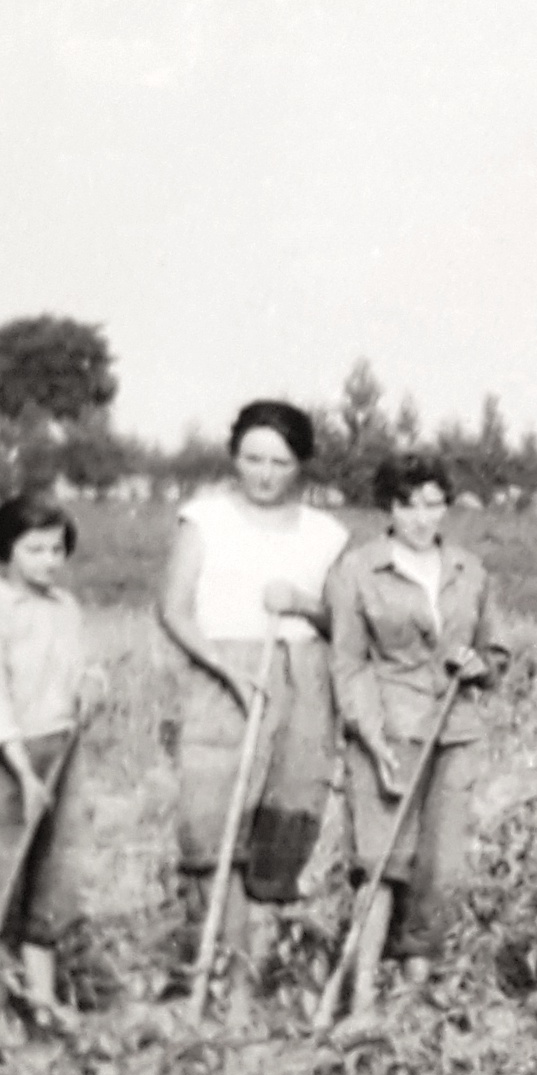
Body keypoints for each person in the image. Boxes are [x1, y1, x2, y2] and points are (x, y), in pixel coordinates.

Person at [158, 400, 348, 968]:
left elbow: (341, 620)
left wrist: (304, 604)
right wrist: (225, 670)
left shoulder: (326, 533)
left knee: (285, 815)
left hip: (301, 674)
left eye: (280, 463)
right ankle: (221, 965)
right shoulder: (205, 519)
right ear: (234, 456)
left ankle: (256, 969)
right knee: (212, 818)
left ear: (302, 465)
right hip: (223, 673)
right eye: (253, 459)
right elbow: (173, 608)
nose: (264, 474)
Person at [326, 454, 509, 1013]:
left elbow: (495, 649)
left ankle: (412, 992)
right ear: (389, 506)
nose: (421, 517)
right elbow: (349, 663)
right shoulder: (359, 569)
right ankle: (359, 997)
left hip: (456, 731)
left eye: (433, 503)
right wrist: (372, 735)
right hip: (390, 727)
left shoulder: (468, 570)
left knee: (439, 866)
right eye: (409, 504)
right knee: (381, 862)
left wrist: (479, 664)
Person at [0, 491, 93, 1012]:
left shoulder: (65, 608)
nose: (49, 562)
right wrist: (24, 774)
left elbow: (71, 676)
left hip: (60, 750)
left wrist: (91, 688)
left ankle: (42, 999)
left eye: (57, 550)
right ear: (6, 550)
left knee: (51, 879)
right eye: (35, 550)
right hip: (1, 759)